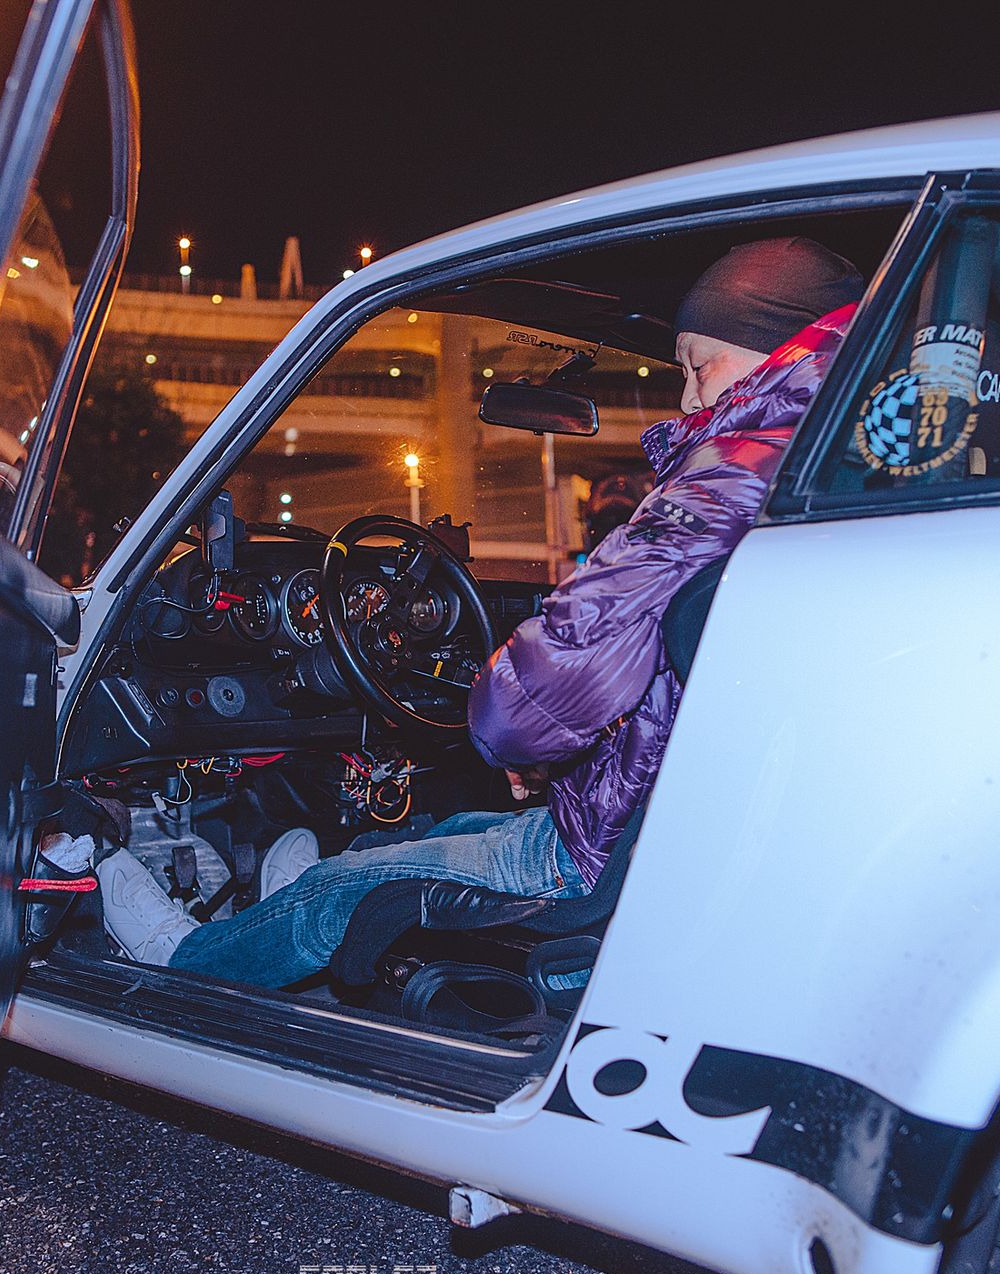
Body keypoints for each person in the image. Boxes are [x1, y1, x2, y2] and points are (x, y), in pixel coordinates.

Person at [100, 237, 866, 989]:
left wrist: (520, 734)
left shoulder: (726, 478)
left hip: (602, 862)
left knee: (339, 894)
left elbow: (533, 694)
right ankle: (275, 919)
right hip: (667, 837)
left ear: (780, 349)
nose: (690, 398)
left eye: (701, 366)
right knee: (443, 832)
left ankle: (181, 965)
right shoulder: (833, 467)